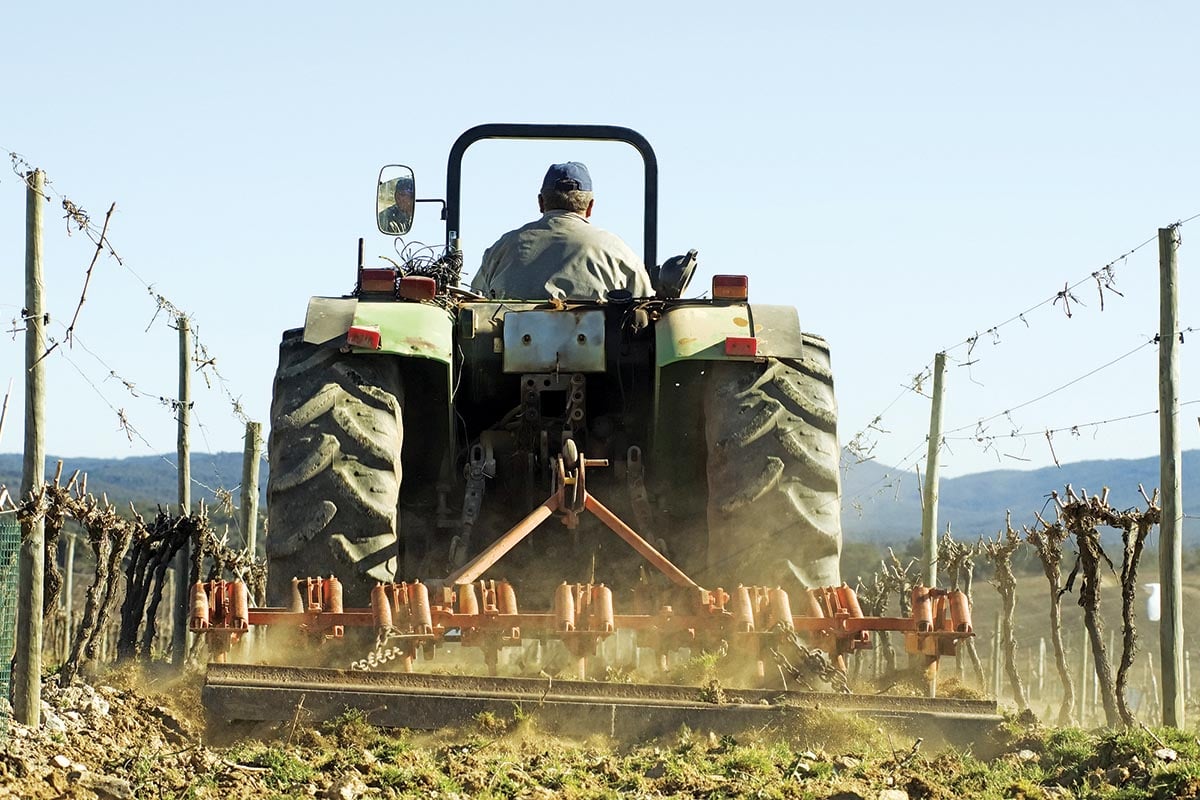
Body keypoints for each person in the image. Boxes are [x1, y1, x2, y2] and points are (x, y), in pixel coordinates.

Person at [471, 162, 652, 300]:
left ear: (541, 202)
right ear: (590, 207)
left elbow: (475, 302)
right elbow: (646, 305)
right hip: (597, 349)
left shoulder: (502, 248)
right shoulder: (617, 251)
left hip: (512, 349)